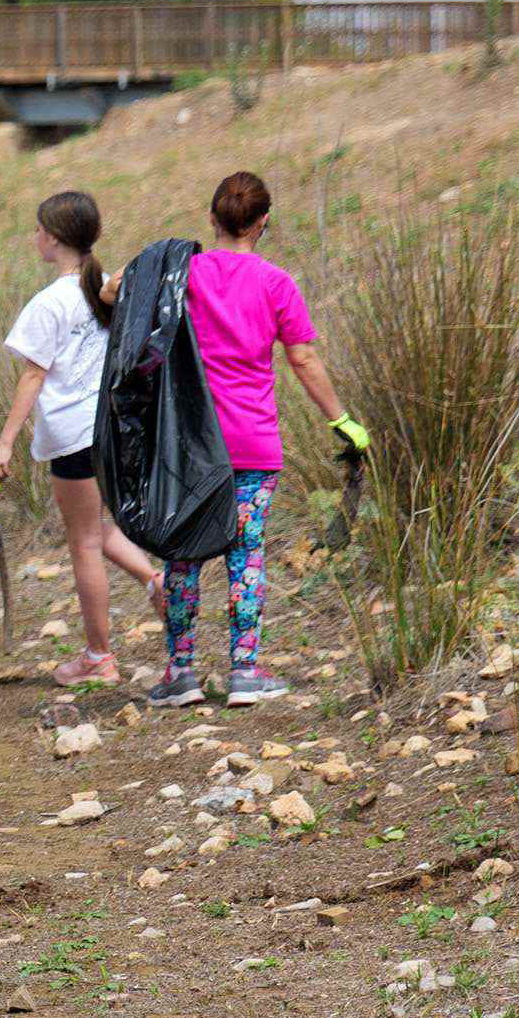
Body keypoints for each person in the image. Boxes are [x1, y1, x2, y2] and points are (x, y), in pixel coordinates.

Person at [103, 172, 367, 708]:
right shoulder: (276, 283)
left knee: (182, 554)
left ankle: (181, 674)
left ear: (212, 218)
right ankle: (245, 671)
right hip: (252, 443)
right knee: (246, 556)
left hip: (186, 445)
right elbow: (303, 358)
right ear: (263, 221)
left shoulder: (186, 272)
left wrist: (146, 269)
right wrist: (342, 419)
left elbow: (113, 291)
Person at [0, 192, 162, 686]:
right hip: (112, 427)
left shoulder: (49, 303)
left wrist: (5, 443)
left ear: (55, 238)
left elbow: (32, 379)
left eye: (39, 230)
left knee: (83, 541)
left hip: (71, 433)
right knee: (98, 527)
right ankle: (155, 581)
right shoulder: (108, 288)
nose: (35, 237)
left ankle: (99, 655)